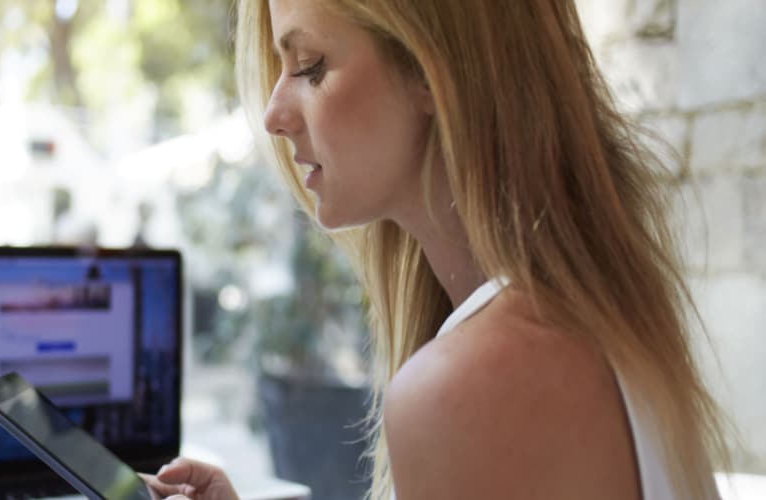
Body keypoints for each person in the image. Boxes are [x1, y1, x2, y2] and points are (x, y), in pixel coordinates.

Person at [143, 1, 730, 499]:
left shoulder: (470, 385)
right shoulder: (595, 314)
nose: (274, 115)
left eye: (309, 66)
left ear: (431, 67)